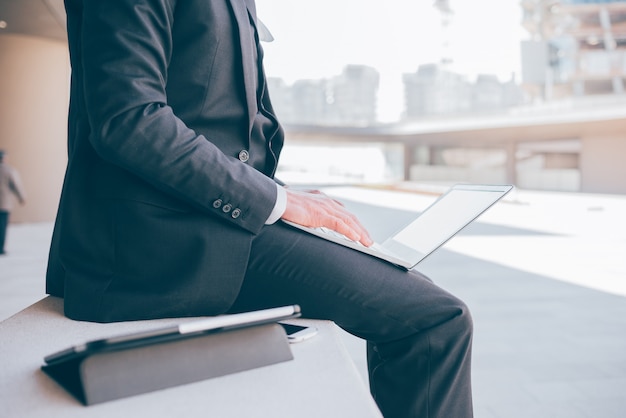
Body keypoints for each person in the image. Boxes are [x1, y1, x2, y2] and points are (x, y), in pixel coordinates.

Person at [46, 1, 473, 417]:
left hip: (205, 221)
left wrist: (284, 197)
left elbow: (220, 132)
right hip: (158, 240)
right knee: (435, 320)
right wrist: (277, 201)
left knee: (412, 293)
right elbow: (130, 119)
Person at [0, 150, 26, 255]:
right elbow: (16, 185)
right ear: (4, 158)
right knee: (2, 227)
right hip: (4, 204)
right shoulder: (9, 170)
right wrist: (22, 198)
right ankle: (0, 249)